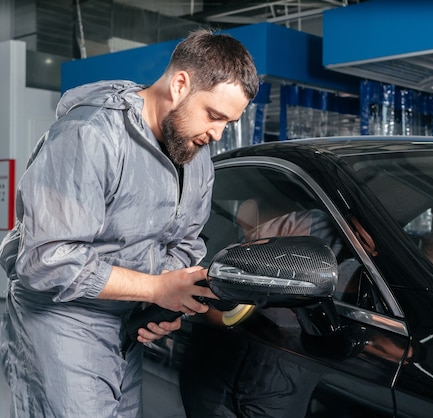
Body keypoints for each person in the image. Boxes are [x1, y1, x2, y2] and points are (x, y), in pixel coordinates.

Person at [0, 28, 259, 417]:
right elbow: (47, 260)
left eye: (228, 123)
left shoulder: (194, 154)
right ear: (180, 84)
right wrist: (155, 288)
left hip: (124, 325)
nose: (217, 134)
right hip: (59, 322)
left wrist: (164, 303)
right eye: (214, 115)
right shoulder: (89, 136)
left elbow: (185, 243)